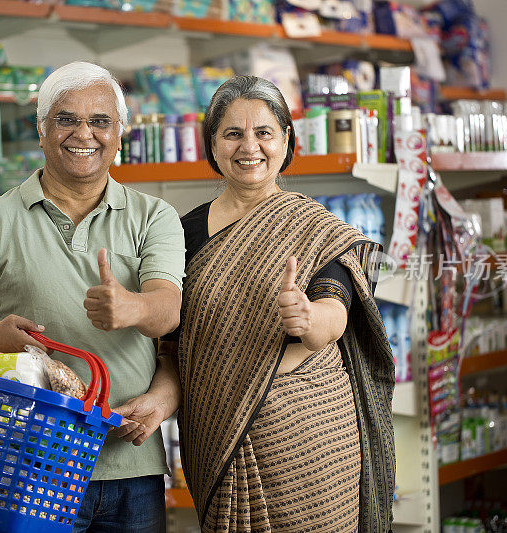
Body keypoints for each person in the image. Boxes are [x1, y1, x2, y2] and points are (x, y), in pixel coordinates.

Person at [0, 61, 185, 533]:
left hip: (130, 465)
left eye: (100, 121)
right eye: (66, 119)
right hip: (21, 464)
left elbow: (168, 311)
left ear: (120, 134)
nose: (83, 133)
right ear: (42, 130)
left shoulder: (154, 217)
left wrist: (131, 307)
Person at [161, 75, 395, 532]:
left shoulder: (314, 226)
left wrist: (307, 319)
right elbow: (169, 339)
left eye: (264, 132)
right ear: (212, 143)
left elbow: (336, 309)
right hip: (219, 426)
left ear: (286, 140)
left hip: (310, 435)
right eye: (233, 133)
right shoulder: (182, 233)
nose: (249, 147)